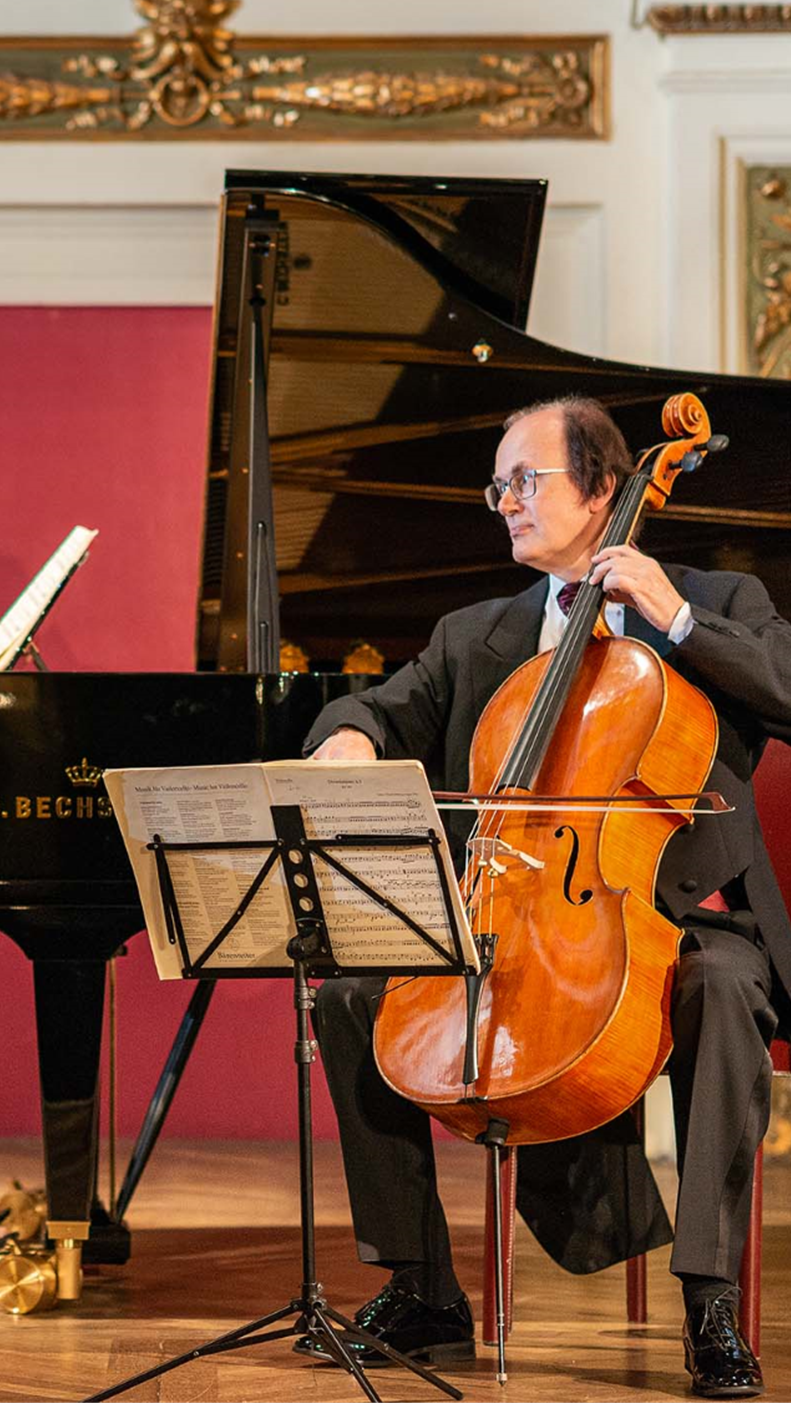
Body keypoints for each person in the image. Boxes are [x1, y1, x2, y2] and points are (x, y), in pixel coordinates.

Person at [299, 396, 791, 1399]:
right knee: (352, 995)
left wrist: (672, 615)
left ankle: (708, 1299)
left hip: (681, 915)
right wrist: (344, 735)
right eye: (496, 485)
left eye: (522, 480)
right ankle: (424, 1287)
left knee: (720, 992)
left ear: (602, 486)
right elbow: (373, 704)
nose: (502, 503)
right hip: (525, 915)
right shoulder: (473, 632)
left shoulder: (715, 595)